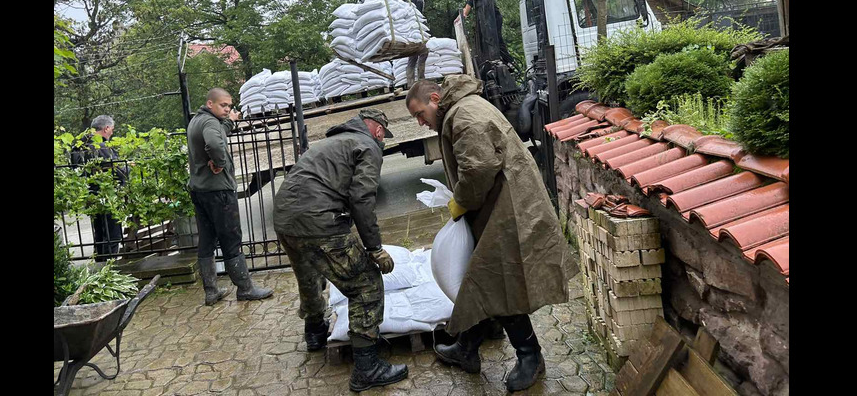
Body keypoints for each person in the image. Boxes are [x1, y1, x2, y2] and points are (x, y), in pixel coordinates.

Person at [405, 76, 579, 393]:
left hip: (509, 210)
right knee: (481, 280)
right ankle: (467, 349)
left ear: (434, 98)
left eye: (420, 114)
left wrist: (461, 201)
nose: (420, 123)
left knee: (500, 283)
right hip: (503, 204)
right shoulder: (461, 109)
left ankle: (531, 358)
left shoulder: (462, 115)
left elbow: (479, 168)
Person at [273, 108, 408, 392]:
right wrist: (375, 249)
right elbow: (362, 199)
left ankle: (315, 332)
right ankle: (367, 368)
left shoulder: (330, 142)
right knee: (366, 284)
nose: (382, 141)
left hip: (285, 218)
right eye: (383, 136)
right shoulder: (368, 145)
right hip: (319, 221)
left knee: (309, 274)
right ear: (379, 130)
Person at [187, 88, 274, 306]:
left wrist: (230, 122)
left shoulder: (197, 121)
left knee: (207, 239)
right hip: (218, 191)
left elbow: (218, 132)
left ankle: (211, 291)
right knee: (231, 238)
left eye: (229, 106)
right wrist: (220, 163)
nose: (228, 109)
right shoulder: (210, 123)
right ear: (210, 104)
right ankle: (245, 288)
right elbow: (215, 143)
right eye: (223, 105)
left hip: (200, 190)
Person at [70, 115, 129, 262]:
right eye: (112, 130)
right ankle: (110, 267)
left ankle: (100, 266)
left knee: (100, 233)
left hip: (90, 194)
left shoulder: (79, 146)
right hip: (107, 195)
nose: (112, 133)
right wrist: (127, 168)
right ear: (106, 128)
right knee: (113, 234)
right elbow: (118, 171)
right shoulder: (101, 147)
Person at [404, 0, 429, 88]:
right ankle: (421, 80)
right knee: (423, 53)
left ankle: (410, 84)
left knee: (412, 58)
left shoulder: (404, 5)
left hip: (410, 36)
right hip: (418, 33)